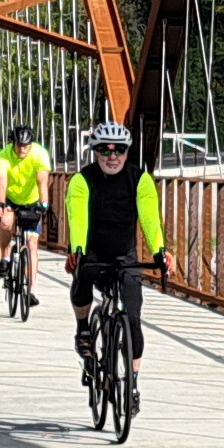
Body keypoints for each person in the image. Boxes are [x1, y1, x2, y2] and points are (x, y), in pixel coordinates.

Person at [56, 120, 164, 370]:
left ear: (127, 151)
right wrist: (78, 250)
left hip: (125, 255)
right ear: (95, 151)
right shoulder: (83, 179)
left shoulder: (140, 179)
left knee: (134, 317)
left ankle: (133, 383)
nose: (112, 156)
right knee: (82, 277)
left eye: (119, 150)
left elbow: (150, 218)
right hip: (93, 251)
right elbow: (78, 217)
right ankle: (83, 329)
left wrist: (159, 250)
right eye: (105, 150)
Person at [0, 122, 54, 304]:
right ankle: (4, 257)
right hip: (12, 197)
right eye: (19, 146)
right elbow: (2, 182)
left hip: (32, 200)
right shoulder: (4, 155)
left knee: (32, 244)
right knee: (5, 222)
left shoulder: (39, 154)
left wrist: (44, 204)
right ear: (13, 143)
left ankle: (31, 290)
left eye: (26, 147)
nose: (22, 150)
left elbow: (43, 181)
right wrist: (1, 203)